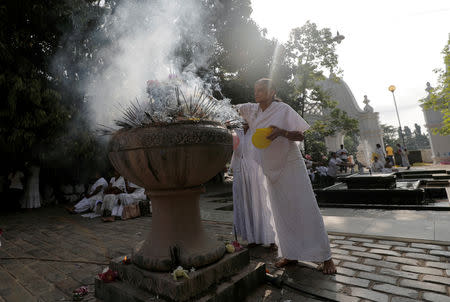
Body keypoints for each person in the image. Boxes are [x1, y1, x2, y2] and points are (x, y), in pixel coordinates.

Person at [238, 78, 336, 274]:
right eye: (255, 89)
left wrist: (281, 132)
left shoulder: (283, 109)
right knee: (280, 211)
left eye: (262, 89)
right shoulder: (252, 110)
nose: (257, 93)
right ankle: (291, 254)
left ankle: (326, 258)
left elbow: (300, 136)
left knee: (305, 206)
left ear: (272, 91)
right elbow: (229, 109)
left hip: (291, 164)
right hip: (270, 167)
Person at [230, 123, 275, 246]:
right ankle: (250, 237)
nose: (244, 120)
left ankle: (269, 237)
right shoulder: (235, 132)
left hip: (255, 172)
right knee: (244, 203)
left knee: (260, 203)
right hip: (239, 172)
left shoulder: (257, 131)